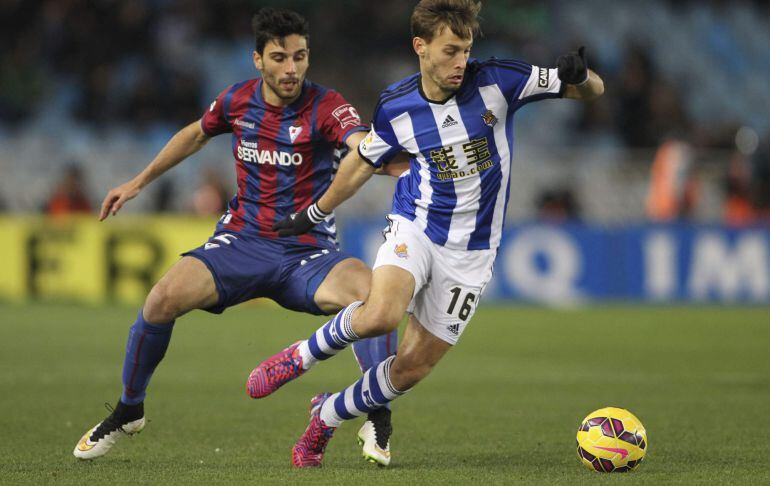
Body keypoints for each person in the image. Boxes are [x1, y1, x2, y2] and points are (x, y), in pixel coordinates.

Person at [248, 0, 604, 467]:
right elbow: (362, 162)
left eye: (466, 50)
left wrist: (580, 76)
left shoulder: (499, 80)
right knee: (380, 314)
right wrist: (316, 210)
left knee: (411, 368)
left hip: (473, 250)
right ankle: (299, 357)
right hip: (416, 224)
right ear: (421, 46)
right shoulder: (396, 105)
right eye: (450, 51)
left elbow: (590, 90)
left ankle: (327, 416)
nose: (461, 62)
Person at [73, 8, 405, 466]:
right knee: (160, 300)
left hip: (307, 250)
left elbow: (362, 147)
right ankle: (129, 409)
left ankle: (376, 413)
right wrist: (137, 182)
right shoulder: (237, 101)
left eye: (300, 57)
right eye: (279, 58)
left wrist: (402, 164)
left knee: (375, 298)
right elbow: (195, 135)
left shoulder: (327, 106)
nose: (291, 69)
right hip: (241, 243)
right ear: (257, 59)